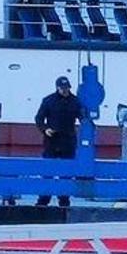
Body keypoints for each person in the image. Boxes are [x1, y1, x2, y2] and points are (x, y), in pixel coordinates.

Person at [34, 75, 83, 207]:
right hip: (52, 141)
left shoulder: (75, 101)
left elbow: (82, 117)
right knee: (47, 172)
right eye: (62, 88)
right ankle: (43, 200)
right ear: (57, 88)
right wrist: (45, 129)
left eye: (67, 88)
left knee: (66, 173)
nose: (65, 90)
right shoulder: (48, 100)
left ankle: (64, 201)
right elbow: (39, 118)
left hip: (68, 141)